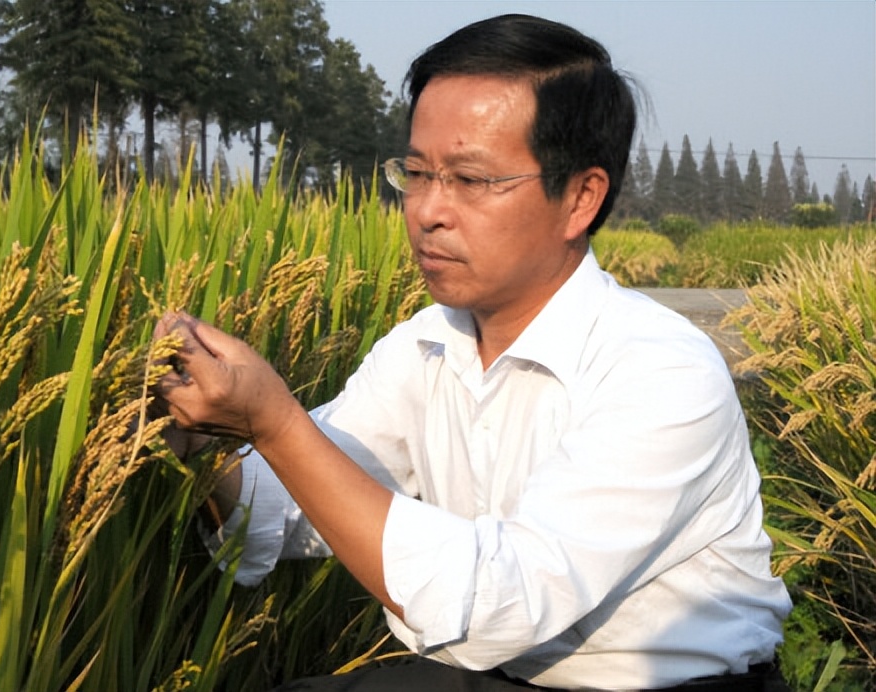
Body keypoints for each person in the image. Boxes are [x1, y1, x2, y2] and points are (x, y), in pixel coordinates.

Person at [154, 13, 792, 691]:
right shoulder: (424, 347)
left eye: (471, 179)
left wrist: (275, 421)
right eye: (418, 173)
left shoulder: (660, 370)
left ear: (580, 197)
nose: (428, 210)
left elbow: (501, 604)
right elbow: (285, 508)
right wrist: (198, 441)